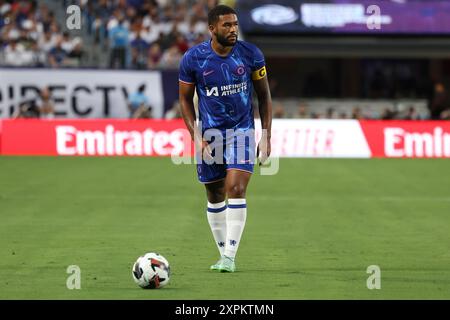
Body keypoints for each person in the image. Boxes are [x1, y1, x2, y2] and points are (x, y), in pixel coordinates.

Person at [179, 5, 272, 273]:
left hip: (241, 130)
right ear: (212, 29)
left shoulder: (250, 54)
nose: (233, 30)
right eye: (227, 26)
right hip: (209, 134)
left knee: (236, 189)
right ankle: (223, 255)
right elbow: (185, 100)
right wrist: (196, 137)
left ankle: (230, 256)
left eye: (235, 24)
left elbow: (264, 97)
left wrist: (265, 136)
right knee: (215, 193)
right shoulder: (193, 59)